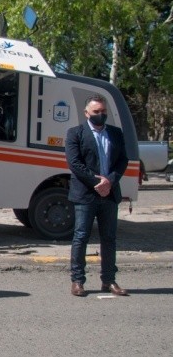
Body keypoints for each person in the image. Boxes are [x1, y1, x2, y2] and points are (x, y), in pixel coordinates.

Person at [66, 95, 129, 297]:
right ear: (86, 113)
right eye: (96, 112)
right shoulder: (75, 133)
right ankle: (78, 281)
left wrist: (109, 181)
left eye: (103, 111)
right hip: (85, 195)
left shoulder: (116, 133)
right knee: (81, 237)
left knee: (109, 239)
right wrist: (97, 183)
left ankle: (109, 280)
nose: (100, 115)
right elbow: (75, 164)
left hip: (109, 195)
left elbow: (122, 161)